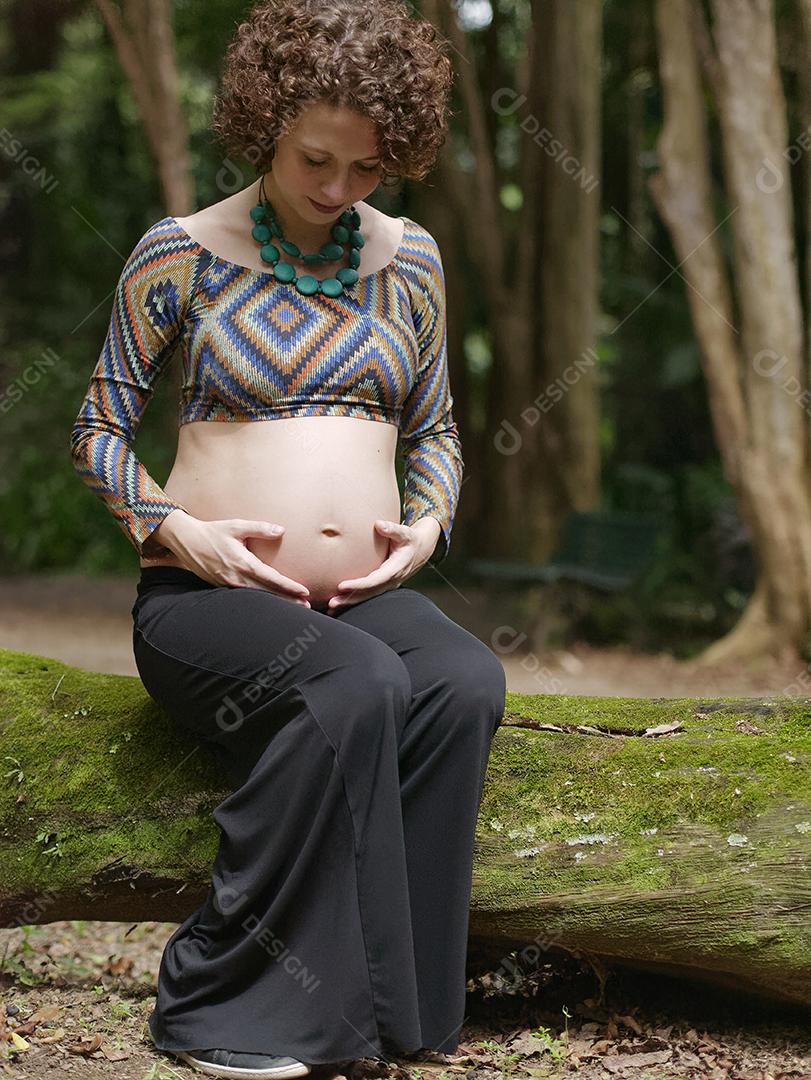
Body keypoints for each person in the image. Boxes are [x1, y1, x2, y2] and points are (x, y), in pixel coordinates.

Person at [69, 1, 507, 1077]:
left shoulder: (411, 264)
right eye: (316, 159)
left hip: (356, 595)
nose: (336, 190)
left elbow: (438, 431)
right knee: (354, 684)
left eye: (365, 169)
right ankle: (215, 997)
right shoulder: (180, 254)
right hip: (203, 602)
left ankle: (397, 1011)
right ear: (264, 122)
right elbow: (96, 431)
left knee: (462, 680)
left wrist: (428, 522)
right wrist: (177, 528)